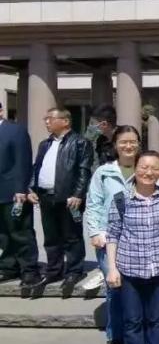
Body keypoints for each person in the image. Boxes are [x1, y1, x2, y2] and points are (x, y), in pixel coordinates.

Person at [105, 150, 159, 344]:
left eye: (154, 168)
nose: (148, 172)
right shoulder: (121, 199)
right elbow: (112, 234)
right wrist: (112, 269)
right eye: (144, 167)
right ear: (136, 168)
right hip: (130, 269)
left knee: (156, 319)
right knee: (132, 320)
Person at [83, 125, 141, 344]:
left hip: (138, 238)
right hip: (108, 238)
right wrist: (95, 232)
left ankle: (136, 332)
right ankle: (115, 335)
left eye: (133, 141)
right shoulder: (104, 172)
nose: (128, 146)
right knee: (115, 287)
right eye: (123, 142)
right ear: (115, 145)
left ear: (139, 143)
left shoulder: (146, 168)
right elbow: (94, 203)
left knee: (138, 288)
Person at [28, 108, 94, 295]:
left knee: (72, 235)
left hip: (69, 198)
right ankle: (54, 270)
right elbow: (37, 168)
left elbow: (84, 170)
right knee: (51, 236)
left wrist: (78, 194)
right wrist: (31, 188)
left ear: (65, 121)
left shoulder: (80, 142)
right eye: (45, 119)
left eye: (50, 118)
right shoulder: (45, 144)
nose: (46, 122)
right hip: (46, 197)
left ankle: (74, 271)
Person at [0, 102, 41, 289]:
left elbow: (22, 160)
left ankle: (29, 270)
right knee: (3, 234)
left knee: (20, 232)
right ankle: (9, 266)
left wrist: (21, 188)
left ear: (1, 111)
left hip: (13, 192)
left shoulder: (15, 131)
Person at [86, 104, 118, 169]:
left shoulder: (125, 137)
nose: (90, 126)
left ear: (104, 124)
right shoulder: (100, 140)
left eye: (92, 123)